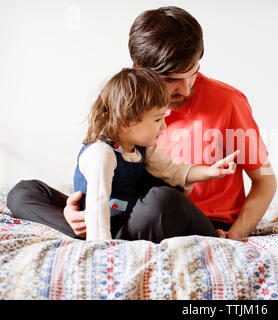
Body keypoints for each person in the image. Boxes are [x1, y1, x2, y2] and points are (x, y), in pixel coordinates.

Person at [8, 6, 277, 241]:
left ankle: (102, 238)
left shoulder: (230, 102)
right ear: (138, 69)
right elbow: (99, 168)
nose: (185, 88)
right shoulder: (121, 98)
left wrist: (235, 235)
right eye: (171, 80)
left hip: (186, 217)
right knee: (23, 193)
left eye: (192, 73)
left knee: (162, 199)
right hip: (126, 212)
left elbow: (265, 181)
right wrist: (73, 208)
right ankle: (101, 233)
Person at [73, 67, 239, 241]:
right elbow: (97, 204)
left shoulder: (142, 148)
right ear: (128, 122)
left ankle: (209, 236)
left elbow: (173, 171)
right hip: (102, 229)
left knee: (164, 195)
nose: (164, 127)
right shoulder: (101, 153)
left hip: (127, 221)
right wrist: (101, 247)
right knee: (40, 192)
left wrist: (210, 171)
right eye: (158, 119)